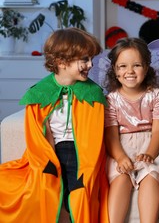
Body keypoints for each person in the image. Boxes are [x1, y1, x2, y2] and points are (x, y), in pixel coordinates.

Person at [0, 28, 109, 222]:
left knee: (80, 191)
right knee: (42, 185)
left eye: (91, 59)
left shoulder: (93, 94)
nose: (91, 64)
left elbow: (93, 139)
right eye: (84, 59)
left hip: (82, 154)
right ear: (61, 62)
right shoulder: (40, 93)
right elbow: (39, 136)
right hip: (51, 152)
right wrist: (49, 163)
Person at [104, 37, 159, 223]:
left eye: (137, 65)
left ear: (146, 68)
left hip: (150, 144)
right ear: (115, 70)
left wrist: (150, 153)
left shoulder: (155, 94)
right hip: (121, 146)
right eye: (122, 66)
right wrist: (120, 157)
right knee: (120, 179)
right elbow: (111, 135)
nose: (129, 71)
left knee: (150, 178)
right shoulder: (112, 99)